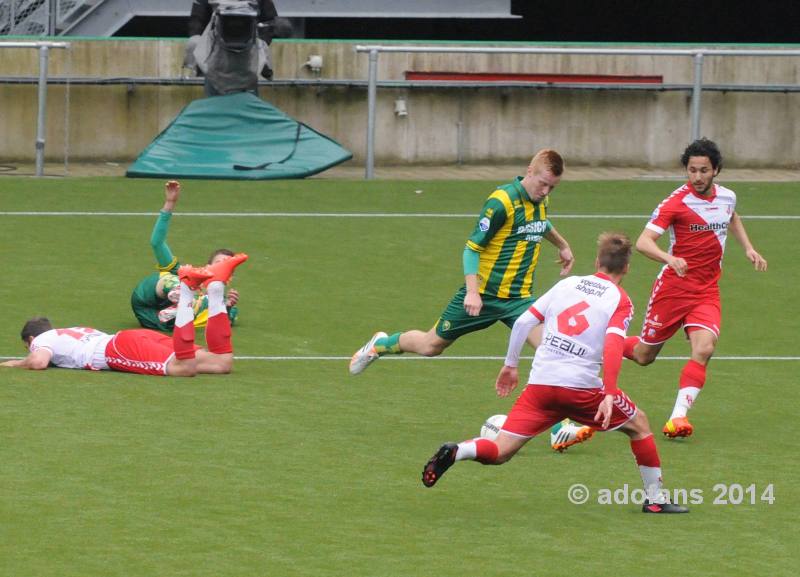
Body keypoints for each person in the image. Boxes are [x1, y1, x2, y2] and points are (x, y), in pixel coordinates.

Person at [421, 232, 688, 514]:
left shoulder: (567, 285)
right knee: (640, 426)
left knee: (500, 451)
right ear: (626, 268)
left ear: (597, 261)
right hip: (582, 390)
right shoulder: (620, 300)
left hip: (541, 386)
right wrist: (609, 392)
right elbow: (611, 344)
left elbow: (524, 322)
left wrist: (511, 365)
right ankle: (655, 500)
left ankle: (458, 451)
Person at [349, 149, 575, 375]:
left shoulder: (541, 200)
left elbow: (540, 223)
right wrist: (472, 292)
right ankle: (380, 345)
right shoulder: (501, 202)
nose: (545, 191)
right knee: (430, 346)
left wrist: (562, 245)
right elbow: (471, 249)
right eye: (543, 184)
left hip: (519, 300)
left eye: (552, 187)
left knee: (552, 351)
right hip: (483, 294)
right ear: (529, 171)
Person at [623, 138, 768, 438]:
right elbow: (643, 242)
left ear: (716, 170)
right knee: (643, 356)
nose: (698, 177)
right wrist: (669, 258)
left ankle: (678, 418)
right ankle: (608, 342)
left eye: (704, 170)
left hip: (706, 290)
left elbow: (732, 217)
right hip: (673, 290)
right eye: (692, 170)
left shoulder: (727, 197)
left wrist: (749, 249)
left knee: (704, 348)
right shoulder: (675, 203)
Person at [2, 254, 248, 377]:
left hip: (119, 350)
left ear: (31, 340)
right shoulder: (70, 331)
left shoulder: (43, 341)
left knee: (183, 368)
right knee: (220, 363)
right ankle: (216, 290)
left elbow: (38, 362)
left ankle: (185, 288)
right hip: (131, 338)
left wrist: (15, 363)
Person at [130, 180, 240, 332]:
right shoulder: (183, 271)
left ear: (229, 278)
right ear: (207, 266)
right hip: (147, 296)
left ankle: (184, 303)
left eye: (226, 266)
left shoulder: (221, 304)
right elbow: (157, 243)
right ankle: (182, 295)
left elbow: (225, 324)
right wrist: (169, 203)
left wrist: (227, 307)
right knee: (180, 280)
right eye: (219, 263)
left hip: (156, 320)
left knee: (201, 303)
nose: (222, 267)